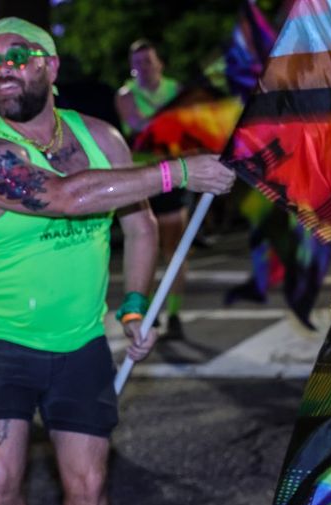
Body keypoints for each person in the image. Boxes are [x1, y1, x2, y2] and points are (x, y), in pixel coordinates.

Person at [0, 18, 235, 505]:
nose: (1, 66)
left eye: (19, 55)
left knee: (87, 482)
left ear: (49, 68)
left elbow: (137, 227)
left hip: (80, 339)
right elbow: (63, 196)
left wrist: (134, 308)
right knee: (0, 478)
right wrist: (177, 173)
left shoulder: (100, 136)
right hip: (1, 337)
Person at [116, 40, 191, 339]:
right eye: (137, 63)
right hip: (142, 179)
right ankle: (146, 310)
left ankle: (174, 313)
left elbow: (185, 128)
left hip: (173, 178)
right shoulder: (125, 94)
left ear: (160, 64)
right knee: (144, 246)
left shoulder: (176, 89)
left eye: (148, 61)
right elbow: (138, 125)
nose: (143, 68)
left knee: (174, 250)